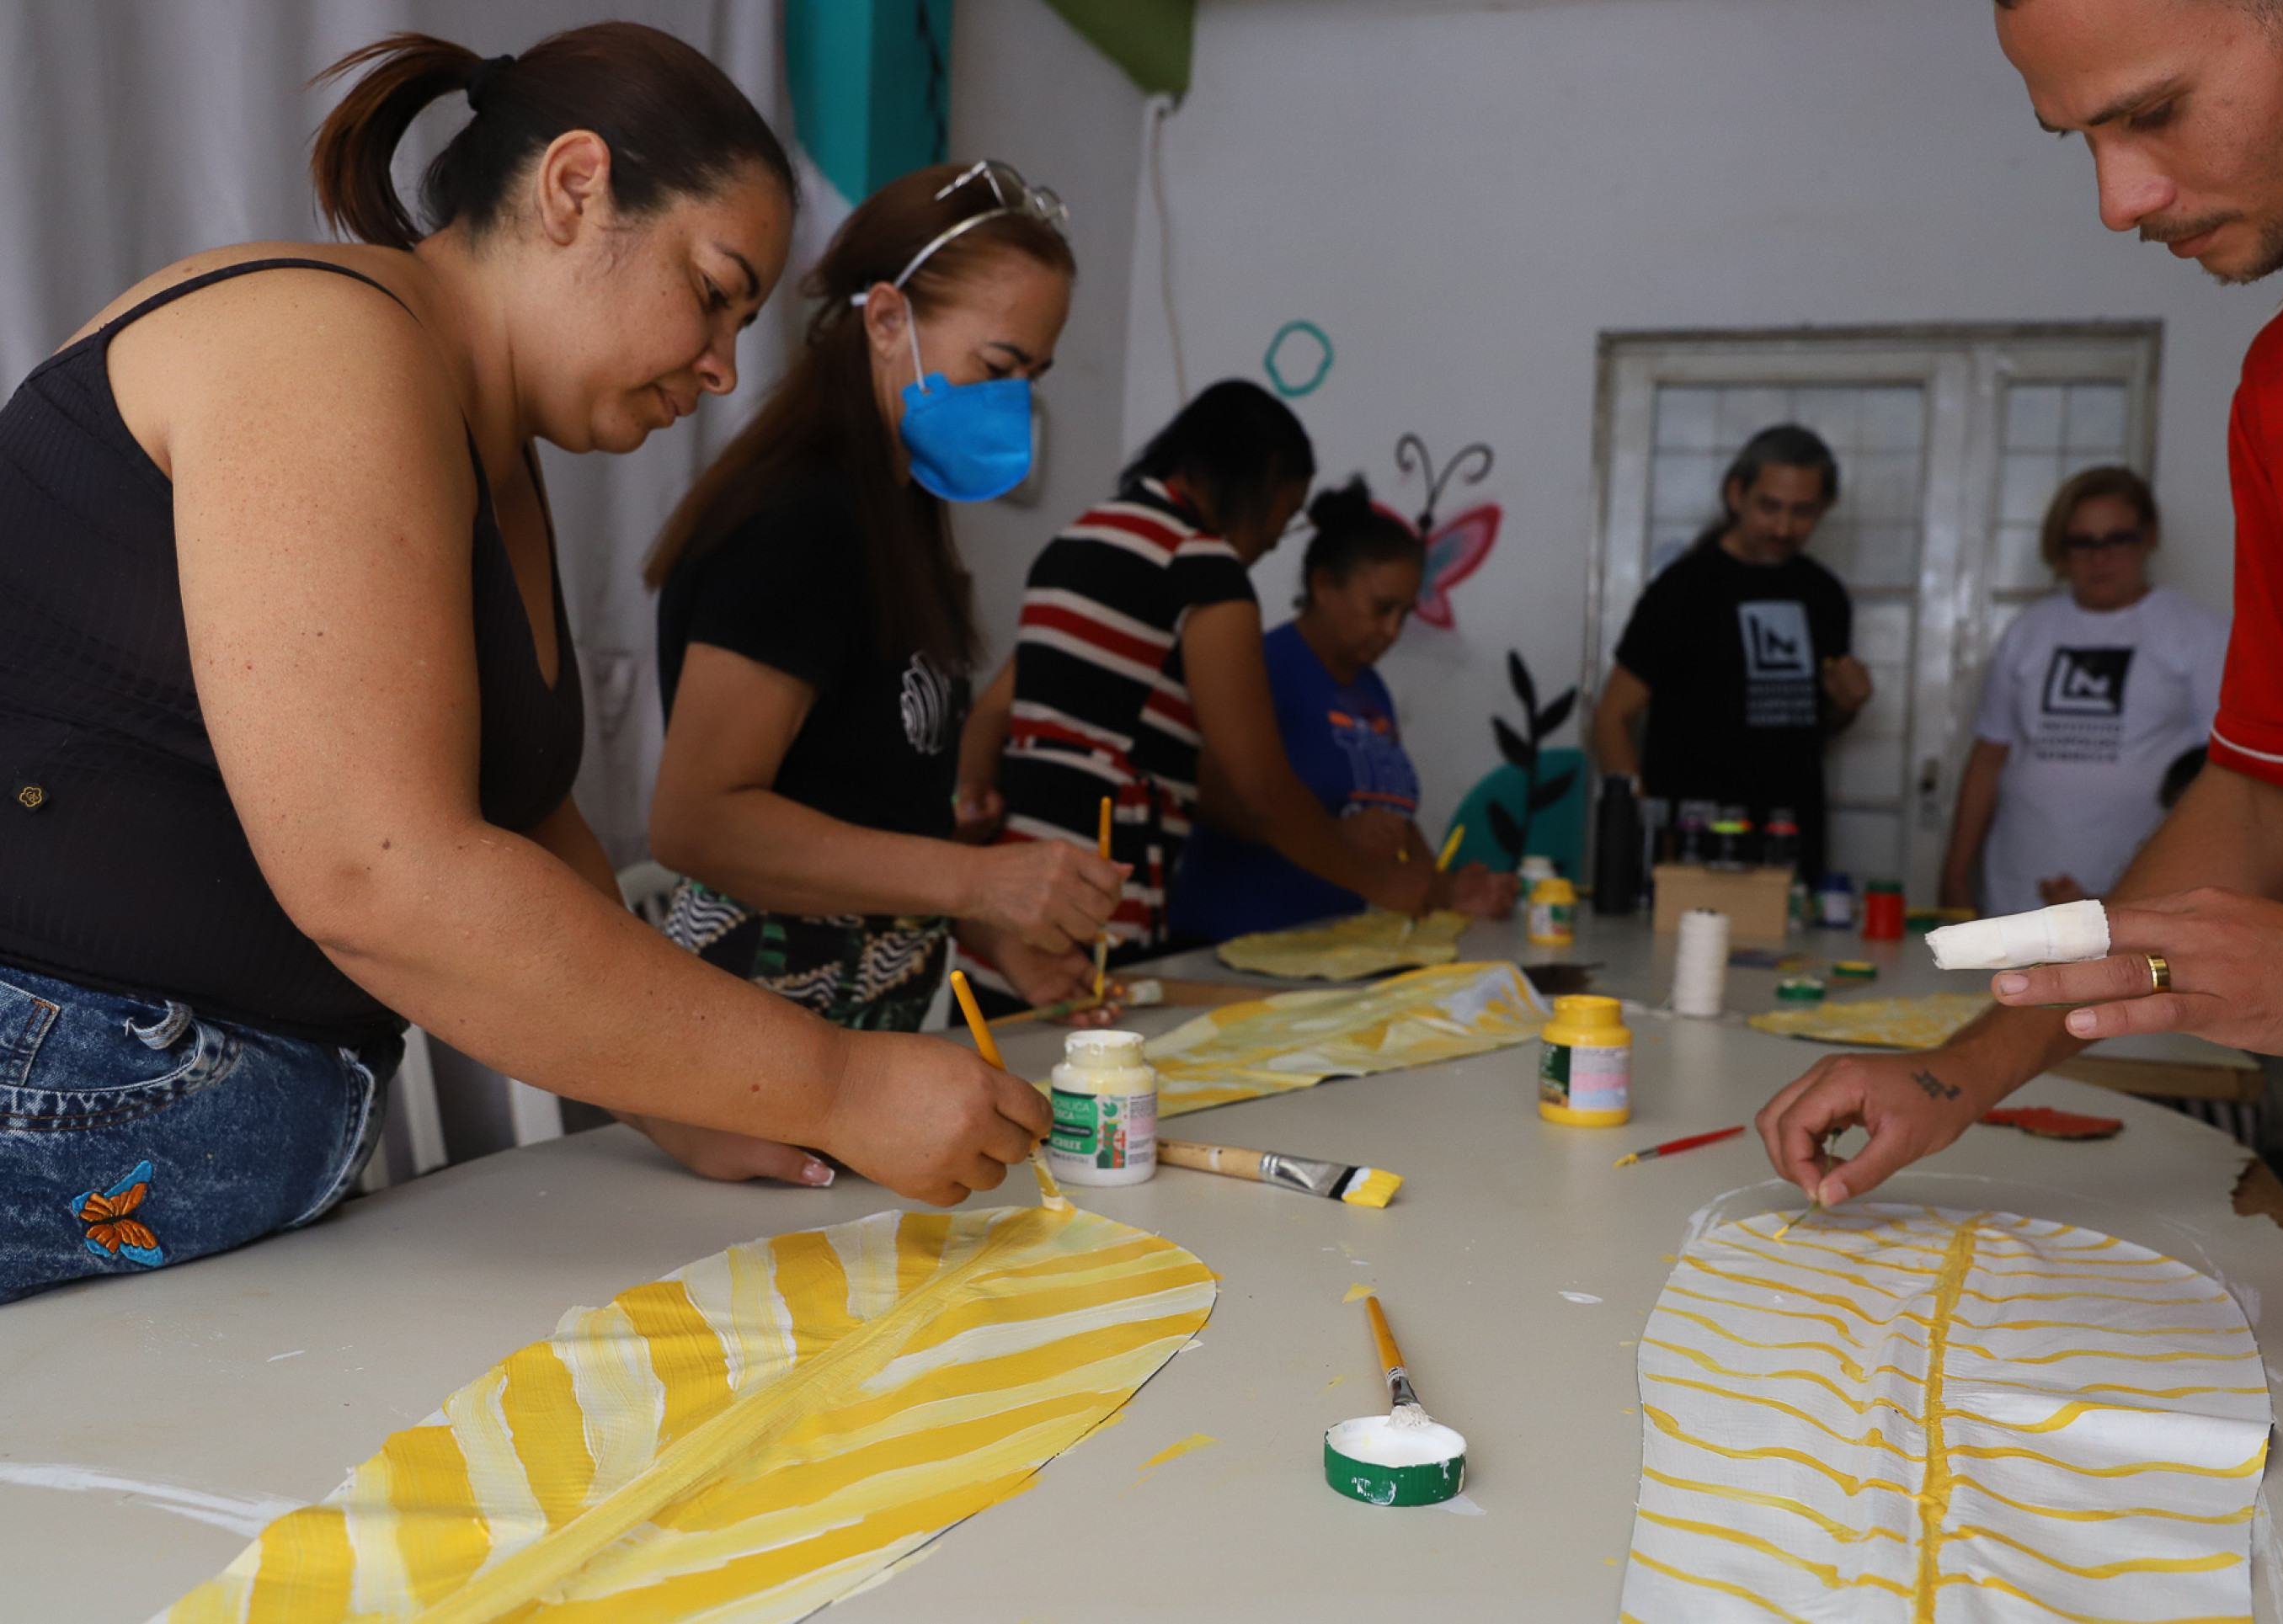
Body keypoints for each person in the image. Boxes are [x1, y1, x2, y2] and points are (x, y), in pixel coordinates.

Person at [0, 27, 1049, 1304]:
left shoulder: (491, 450)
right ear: (572, 189)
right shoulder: (325, 343)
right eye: (714, 288)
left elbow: (522, 818)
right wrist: (836, 1078)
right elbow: (377, 872)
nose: (722, 367)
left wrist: (680, 1089)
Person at [1762, 0, 2283, 1381]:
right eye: (2075, 139)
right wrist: (1957, 1072)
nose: (2117, 199)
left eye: (2151, 109)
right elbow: (2261, 795)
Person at [645, 162, 1124, 1032]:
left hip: (870, 1030)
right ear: (887, 319)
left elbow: (867, 809)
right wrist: (981, 880)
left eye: (1035, 377)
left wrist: (989, 927)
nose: (1014, 405)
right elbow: (697, 823)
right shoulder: (798, 522)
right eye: (998, 364)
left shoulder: (898, 520)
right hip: (753, 1035)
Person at [954, 382, 1480, 997]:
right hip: (1091, 929)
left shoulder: (1077, 544)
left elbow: (990, 712)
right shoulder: (1202, 568)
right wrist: (1375, 879)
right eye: (1282, 519)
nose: (1271, 544)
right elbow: (1261, 788)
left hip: (1000, 924)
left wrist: (970, 794)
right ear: (1265, 479)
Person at [1170, 476, 1519, 940]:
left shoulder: (1371, 689)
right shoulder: (1262, 667)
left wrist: (1443, 890)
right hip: (1236, 942)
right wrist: (1334, 836)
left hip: (1328, 946)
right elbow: (1211, 796)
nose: (1394, 630)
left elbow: (1386, 817)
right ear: (1323, 585)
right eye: (1381, 608)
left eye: (1406, 614)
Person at [1939, 466, 2228, 915]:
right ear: (2061, 547)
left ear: (2148, 536)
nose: (2100, 558)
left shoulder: (2197, 633)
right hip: (2019, 882)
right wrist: (1955, 875)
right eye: (2083, 543)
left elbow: (2218, 779)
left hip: (2140, 888)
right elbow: (1988, 758)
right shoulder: (2029, 631)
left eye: (2117, 539)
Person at [1591, 423, 1875, 881]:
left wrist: (1847, 705)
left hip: (1790, 843)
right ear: (1735, 493)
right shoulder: (1681, 588)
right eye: (1770, 507)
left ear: (1825, 508)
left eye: (1802, 512)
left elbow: (1809, 722)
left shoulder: (1824, 594)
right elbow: (1611, 718)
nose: (1783, 527)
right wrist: (1645, 825)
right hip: (1691, 843)